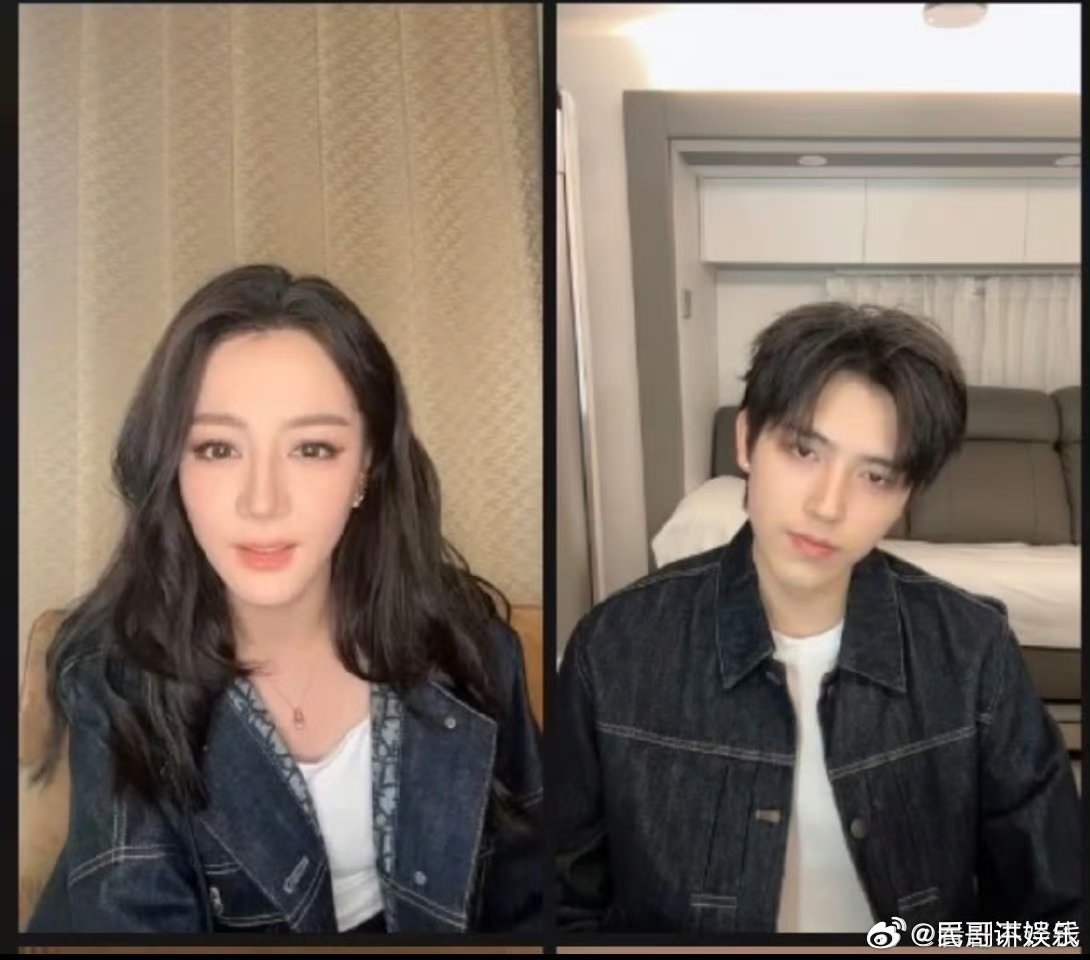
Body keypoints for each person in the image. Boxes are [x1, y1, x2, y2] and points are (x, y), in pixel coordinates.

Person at [28, 264, 542, 933]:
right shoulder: (116, 679)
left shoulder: (470, 647)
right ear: (172, 466)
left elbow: (528, 898)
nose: (262, 501)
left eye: (312, 449)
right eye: (218, 448)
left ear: (366, 468)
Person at [554, 301, 1082, 933]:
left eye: (875, 476)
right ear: (746, 441)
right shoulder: (614, 649)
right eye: (804, 451)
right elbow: (565, 908)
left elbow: (1055, 914)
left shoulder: (973, 653)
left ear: (905, 496)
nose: (828, 505)